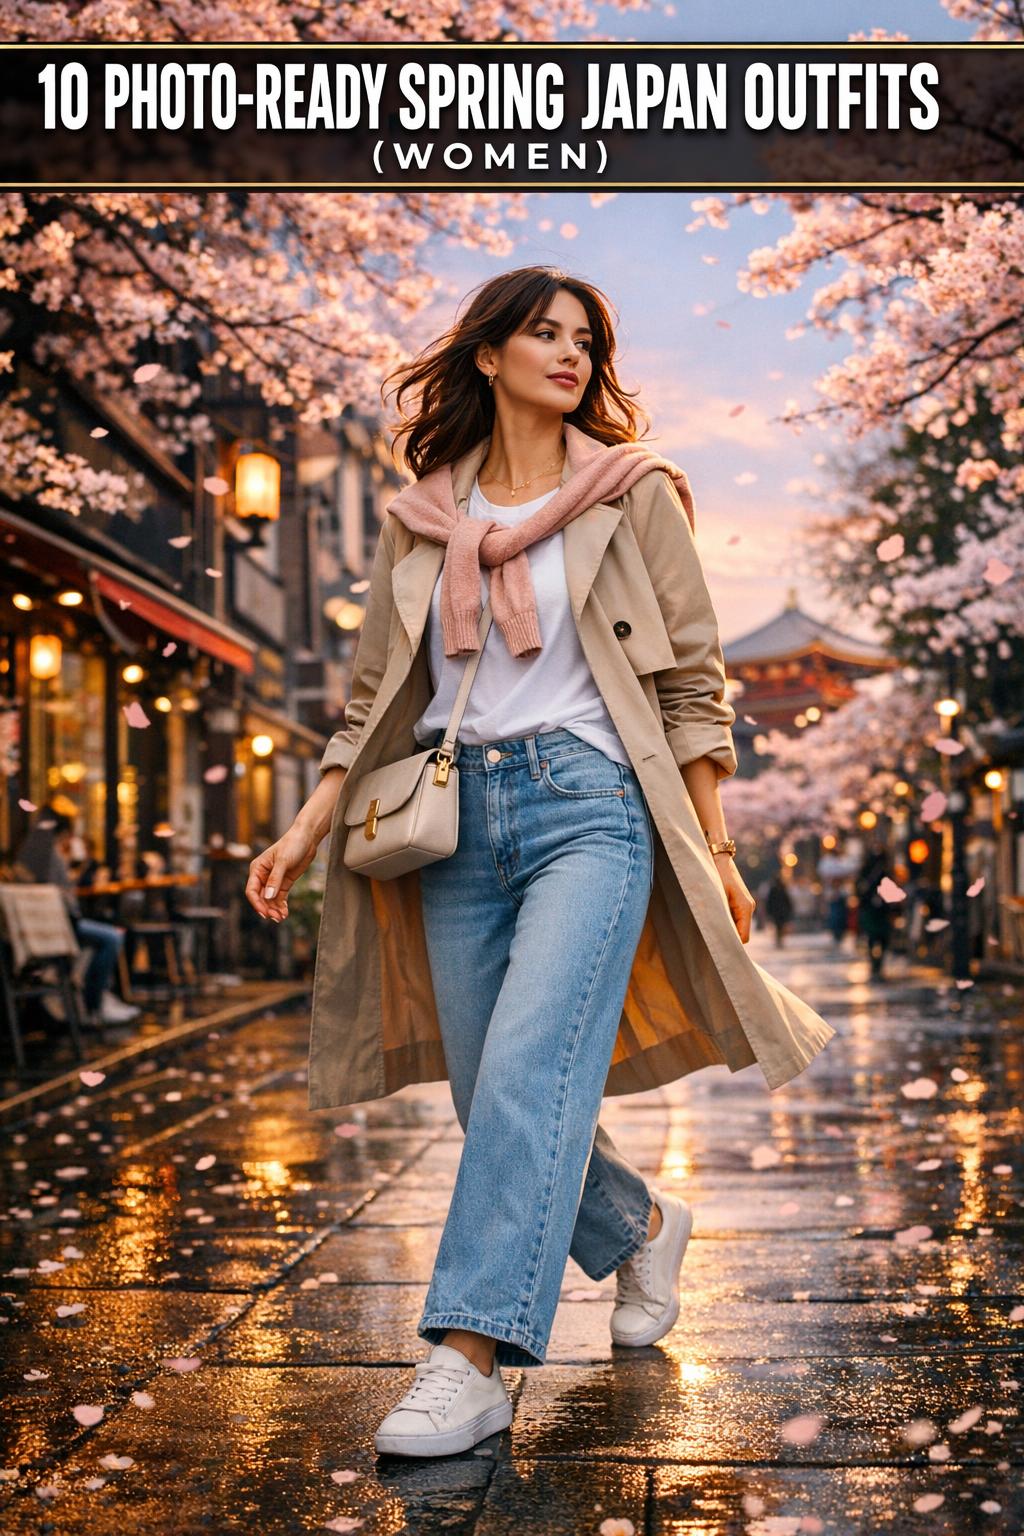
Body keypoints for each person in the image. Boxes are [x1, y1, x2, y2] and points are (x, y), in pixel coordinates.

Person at [245, 265, 837, 1460]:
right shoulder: (421, 520)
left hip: (592, 809)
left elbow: (688, 681)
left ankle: (468, 1356)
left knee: (523, 1071)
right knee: (487, 1089)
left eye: (585, 340)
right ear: (487, 356)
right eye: (543, 334)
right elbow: (376, 694)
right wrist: (309, 819)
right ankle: (639, 1226)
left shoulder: (634, 496)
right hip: (453, 825)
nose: (569, 355)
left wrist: (713, 845)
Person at [14, 802, 140, 1024]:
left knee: (113, 929)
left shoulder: (27, 852)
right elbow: (61, 895)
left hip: (34, 931)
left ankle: (98, 999)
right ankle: (94, 1004)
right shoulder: (49, 854)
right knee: (113, 936)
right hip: (57, 930)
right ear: (63, 832)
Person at [854, 838, 894, 980]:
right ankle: (875, 963)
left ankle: (877, 963)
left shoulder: (885, 872)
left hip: (881, 910)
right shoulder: (868, 872)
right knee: (873, 937)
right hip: (872, 909)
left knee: (880, 938)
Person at [764, 873, 794, 948]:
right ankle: (779, 939)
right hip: (781, 911)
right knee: (780, 926)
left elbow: (769, 901)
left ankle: (779, 939)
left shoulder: (773, 889)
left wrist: (769, 911)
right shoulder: (782, 888)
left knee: (778, 926)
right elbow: (787, 900)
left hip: (776, 911)